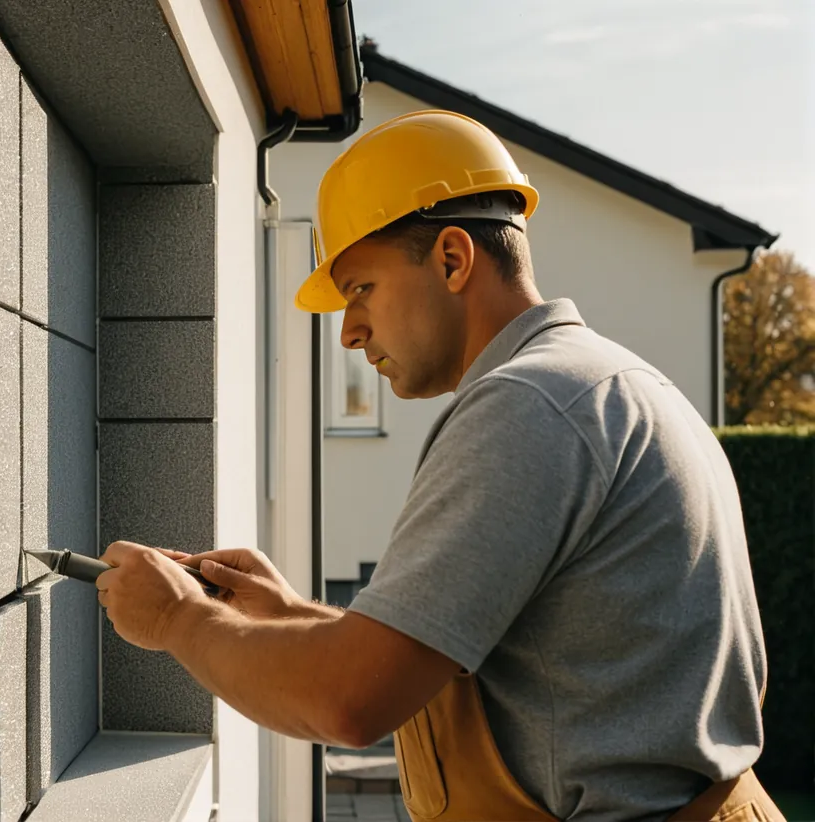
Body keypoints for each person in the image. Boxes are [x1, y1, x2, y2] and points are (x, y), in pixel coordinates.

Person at [95, 110, 783, 822]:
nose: (350, 331)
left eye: (360, 288)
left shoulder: (528, 406)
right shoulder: (617, 386)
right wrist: (294, 616)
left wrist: (177, 618)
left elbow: (351, 700)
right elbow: (523, 658)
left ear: (453, 259)